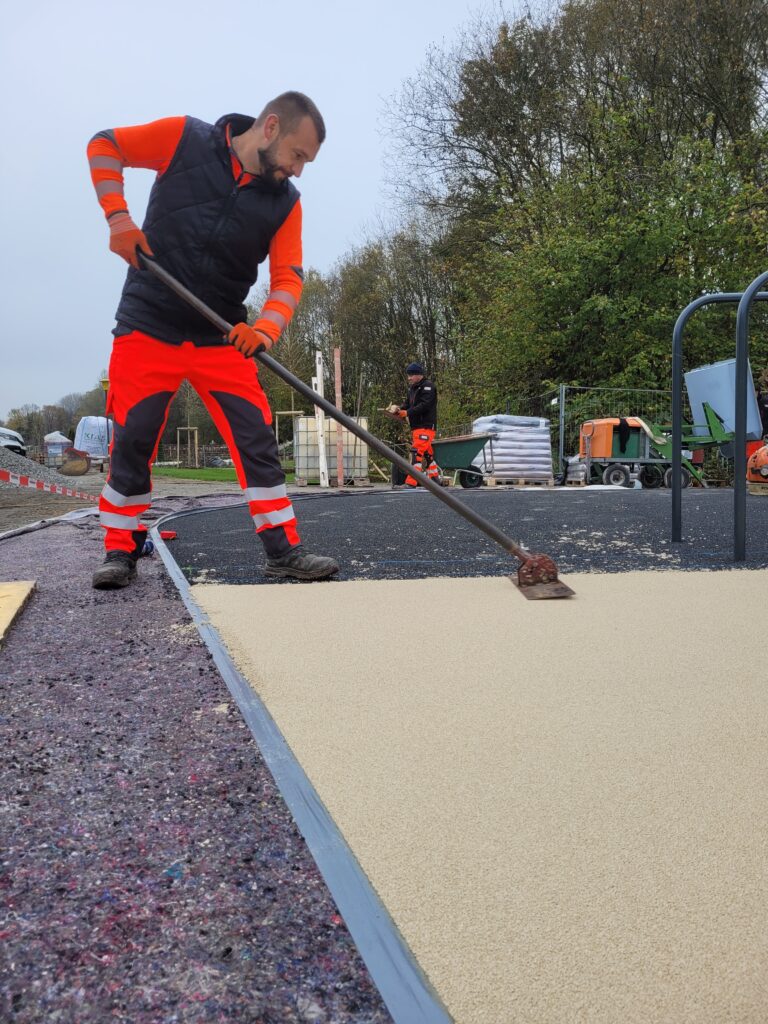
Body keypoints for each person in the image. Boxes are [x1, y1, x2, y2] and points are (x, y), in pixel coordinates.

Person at [87, 93, 338, 589]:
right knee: (133, 439)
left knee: (256, 439)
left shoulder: (286, 203)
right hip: (148, 321)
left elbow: (288, 278)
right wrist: (118, 216)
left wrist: (264, 329)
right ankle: (120, 550)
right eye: (298, 155)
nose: (299, 170)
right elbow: (104, 145)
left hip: (223, 335)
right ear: (270, 129)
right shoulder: (184, 138)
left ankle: (283, 550)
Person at [388, 362, 440, 487]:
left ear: (418, 375)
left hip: (426, 426)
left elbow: (424, 406)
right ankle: (434, 480)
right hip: (416, 427)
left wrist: (406, 413)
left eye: (411, 375)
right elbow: (407, 404)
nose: (409, 378)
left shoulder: (428, 387)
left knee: (416, 453)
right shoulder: (412, 388)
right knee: (428, 455)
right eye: (408, 375)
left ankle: (411, 482)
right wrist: (398, 410)